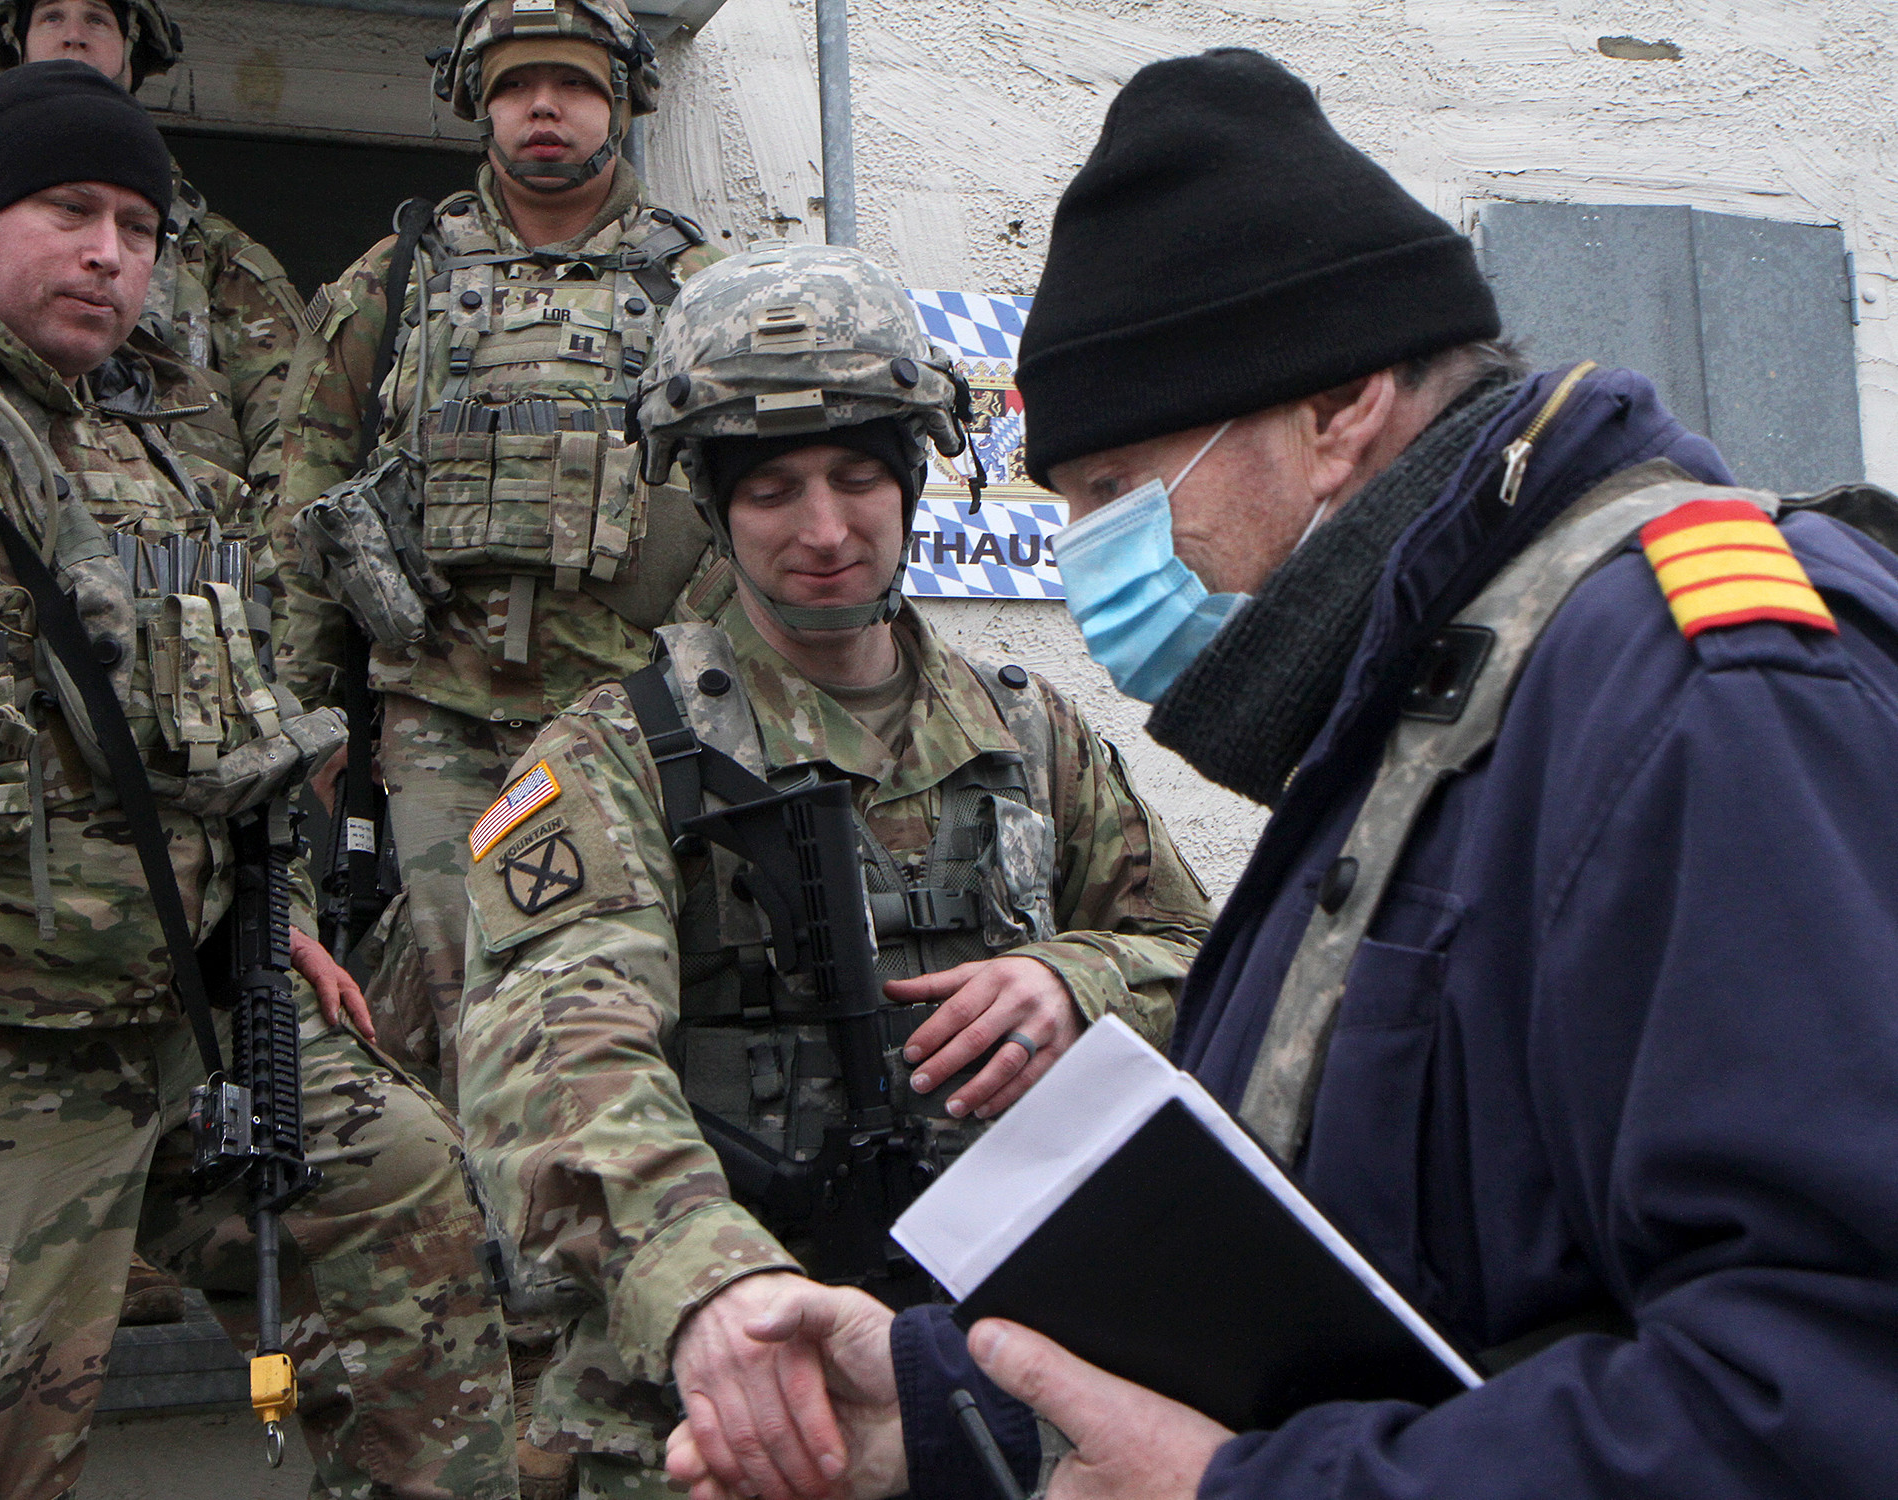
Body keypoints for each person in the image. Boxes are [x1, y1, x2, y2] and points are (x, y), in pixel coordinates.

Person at [660, 48, 1898, 1500]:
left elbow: (1825, 1395)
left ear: (1339, 408)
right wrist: (944, 1403)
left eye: (1119, 489)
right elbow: (1339, 1288)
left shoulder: (1699, 688)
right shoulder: (1417, 709)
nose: (1091, 552)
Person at [0, 63, 516, 1499]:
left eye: (139, 226)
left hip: (179, 1018)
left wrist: (271, 911)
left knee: (404, 1186)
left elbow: (230, 727)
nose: (109, 252)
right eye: (71, 210)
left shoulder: (147, 451)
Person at [452, 241, 1214, 1500]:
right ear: (710, 502)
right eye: (773, 491)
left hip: (1007, 1359)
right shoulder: (613, 755)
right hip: (732, 1386)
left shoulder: (1029, 735)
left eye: (859, 477)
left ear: (913, 481)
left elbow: (1208, 965)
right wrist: (711, 1282)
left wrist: (1077, 981)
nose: (824, 530)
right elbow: (553, 1053)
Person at [280, 0, 724, 1109]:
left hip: (627, 712)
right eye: (518, 84)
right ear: (478, 99)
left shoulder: (697, 286)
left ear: (619, 99)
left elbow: (751, 493)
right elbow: (304, 493)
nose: (543, 107)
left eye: (572, 84)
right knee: (454, 986)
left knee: (610, 983)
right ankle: (483, 1245)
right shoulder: (396, 280)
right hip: (437, 708)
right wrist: (301, 721)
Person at [0, 0, 305, 496]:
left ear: (130, 46)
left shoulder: (221, 258)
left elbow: (290, 443)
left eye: (96, 18)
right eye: (51, 16)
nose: (73, 36)